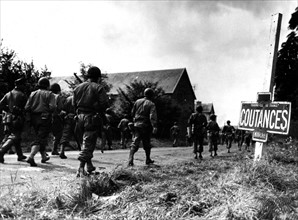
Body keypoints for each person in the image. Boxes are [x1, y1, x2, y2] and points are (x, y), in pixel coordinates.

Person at [73, 66, 109, 177]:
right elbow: (104, 105)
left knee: (85, 142)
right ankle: (80, 169)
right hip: (91, 117)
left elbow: (73, 104)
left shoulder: (78, 88)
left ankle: (89, 166)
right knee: (89, 143)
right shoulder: (98, 88)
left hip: (79, 117)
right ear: (98, 77)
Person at [25, 77, 57, 166]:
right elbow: (52, 107)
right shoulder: (50, 94)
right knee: (40, 138)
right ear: (47, 85)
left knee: (40, 137)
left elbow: (27, 107)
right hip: (45, 118)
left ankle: (43, 156)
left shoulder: (33, 94)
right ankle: (31, 157)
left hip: (34, 118)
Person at [128, 88, 158, 166]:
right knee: (147, 143)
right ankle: (148, 159)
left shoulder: (137, 101)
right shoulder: (151, 104)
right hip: (145, 126)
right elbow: (152, 116)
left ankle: (130, 159)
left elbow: (132, 113)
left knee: (135, 142)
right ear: (151, 95)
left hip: (136, 125)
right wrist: (154, 126)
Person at [0, 78, 27, 163]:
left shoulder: (8, 94)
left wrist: (8, 109)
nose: (24, 86)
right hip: (17, 118)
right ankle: (2, 151)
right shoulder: (22, 95)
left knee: (14, 136)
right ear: (20, 85)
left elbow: (1, 104)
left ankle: (20, 155)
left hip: (8, 118)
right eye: (23, 85)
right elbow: (26, 107)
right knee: (15, 136)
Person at [50, 83, 64, 156]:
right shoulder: (57, 97)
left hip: (46, 117)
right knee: (59, 133)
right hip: (55, 117)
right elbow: (60, 107)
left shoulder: (48, 95)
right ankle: (54, 149)